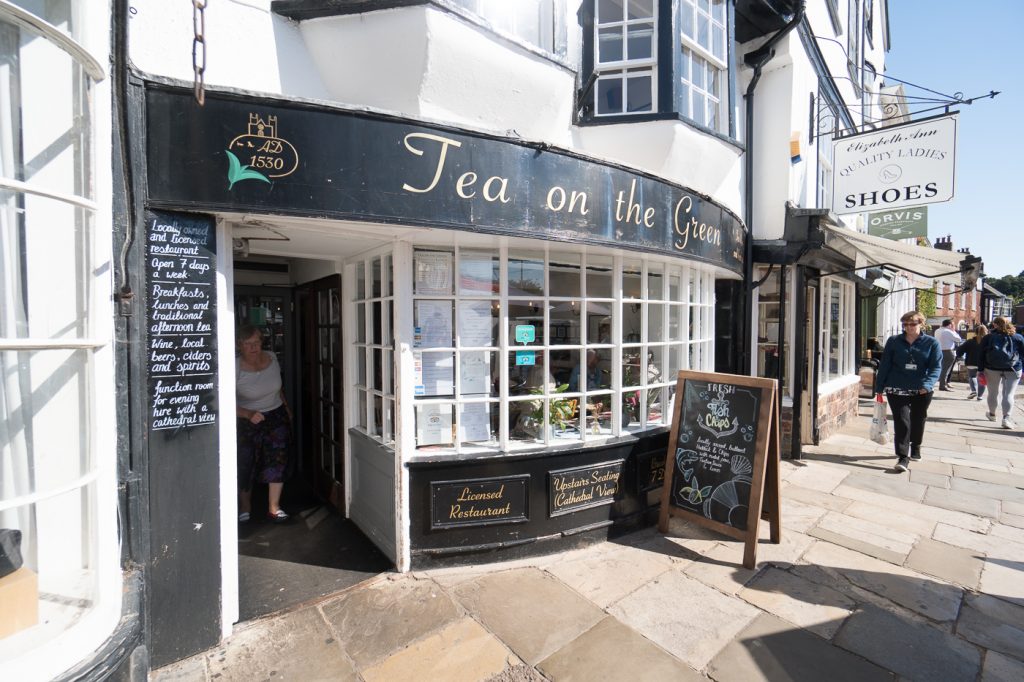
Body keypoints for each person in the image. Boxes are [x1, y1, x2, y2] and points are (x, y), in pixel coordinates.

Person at [236, 324, 292, 523]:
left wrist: (286, 408)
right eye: (248, 343)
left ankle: (274, 507)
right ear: (239, 345)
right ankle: (245, 506)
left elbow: (278, 388)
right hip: (247, 420)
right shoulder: (234, 367)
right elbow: (223, 400)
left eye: (257, 342)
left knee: (278, 459)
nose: (253, 347)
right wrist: (247, 413)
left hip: (276, 416)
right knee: (246, 462)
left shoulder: (272, 357)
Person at [874, 311, 942, 472]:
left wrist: (927, 384)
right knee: (902, 421)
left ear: (921, 324)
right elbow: (885, 364)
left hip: (922, 389)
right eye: (905, 324)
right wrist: (879, 388)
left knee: (918, 419)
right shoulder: (894, 341)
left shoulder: (932, 343)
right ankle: (903, 457)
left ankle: (916, 446)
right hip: (896, 387)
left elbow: (936, 366)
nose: (908, 327)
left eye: (912, 324)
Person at [977, 316, 1024, 430]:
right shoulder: (1018, 337)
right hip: (1013, 368)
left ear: (995, 325)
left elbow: (981, 355)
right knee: (1009, 394)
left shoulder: (988, 337)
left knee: (993, 393)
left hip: (992, 368)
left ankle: (992, 414)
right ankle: (1006, 419)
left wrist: (980, 370)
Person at [955, 325, 988, 401]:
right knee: (982, 379)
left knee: (972, 377)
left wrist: (960, 356)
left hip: (971, 362)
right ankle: (980, 396)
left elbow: (960, 350)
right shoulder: (988, 342)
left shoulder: (970, 341)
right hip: (984, 364)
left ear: (975, 332)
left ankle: (973, 391)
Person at [934, 318, 961, 391]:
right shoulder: (948, 331)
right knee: (946, 370)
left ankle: (943, 384)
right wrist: (954, 331)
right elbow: (958, 339)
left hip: (939, 351)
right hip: (948, 352)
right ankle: (942, 385)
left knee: (942, 368)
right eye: (952, 325)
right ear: (949, 325)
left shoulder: (937, 330)